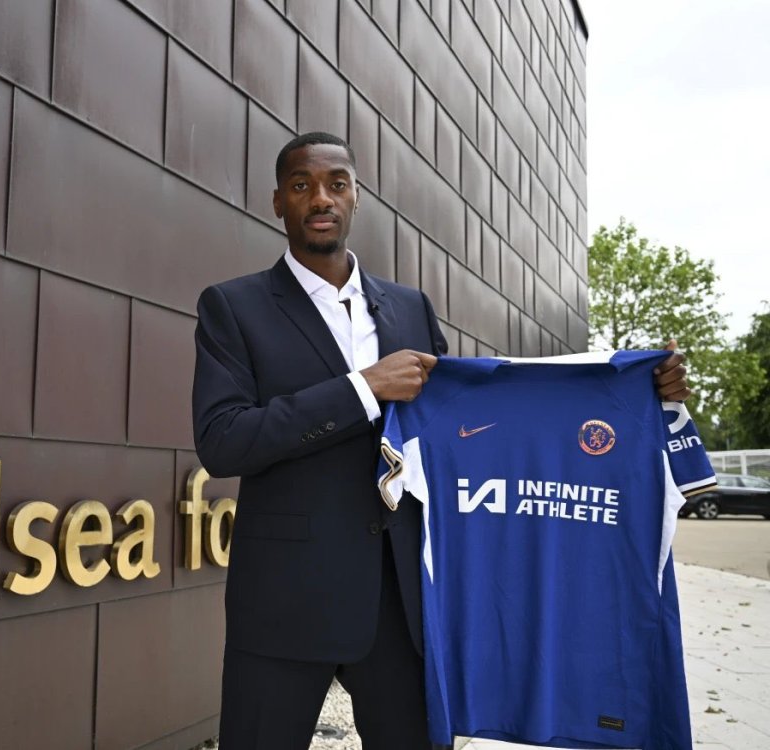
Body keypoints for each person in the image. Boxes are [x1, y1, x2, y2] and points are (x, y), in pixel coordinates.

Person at [190, 131, 690, 749]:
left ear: (356, 198)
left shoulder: (409, 309)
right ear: (277, 202)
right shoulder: (233, 307)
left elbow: (472, 422)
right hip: (286, 601)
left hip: (407, 603)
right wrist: (363, 388)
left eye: (336, 184)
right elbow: (223, 440)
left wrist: (639, 393)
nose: (320, 198)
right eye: (301, 186)